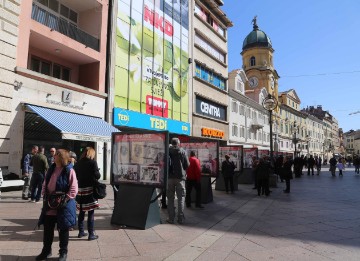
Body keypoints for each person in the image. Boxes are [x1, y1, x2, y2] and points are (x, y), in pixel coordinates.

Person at [36, 149, 78, 261]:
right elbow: (45, 183)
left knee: (63, 230)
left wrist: (64, 200)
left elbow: (74, 189)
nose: (54, 156)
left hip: (64, 206)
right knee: (48, 229)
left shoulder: (69, 170)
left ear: (61, 157)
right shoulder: (52, 169)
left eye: (56, 155)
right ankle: (46, 251)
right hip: (50, 203)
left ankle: (63, 253)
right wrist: (44, 194)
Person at [74, 147, 101, 240]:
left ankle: (81, 232)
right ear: (91, 154)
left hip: (80, 190)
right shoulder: (93, 162)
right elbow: (97, 175)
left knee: (81, 211)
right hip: (89, 190)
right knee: (91, 212)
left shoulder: (78, 163)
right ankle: (91, 234)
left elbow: (75, 175)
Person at [167, 138, 189, 224]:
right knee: (181, 198)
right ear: (178, 143)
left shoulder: (167, 151)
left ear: (171, 143)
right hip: (180, 178)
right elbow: (187, 165)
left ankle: (171, 218)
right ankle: (180, 218)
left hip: (169, 178)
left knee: (170, 199)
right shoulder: (182, 151)